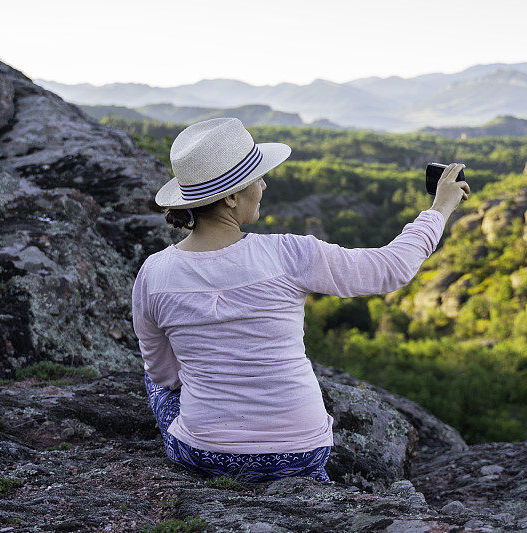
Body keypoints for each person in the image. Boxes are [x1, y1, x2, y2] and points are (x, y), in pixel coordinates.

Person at [131, 117, 470, 484]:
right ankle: (313, 487)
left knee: (154, 383)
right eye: (256, 178)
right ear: (230, 197)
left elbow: (165, 374)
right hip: (302, 449)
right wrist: (440, 209)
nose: (264, 184)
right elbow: (391, 267)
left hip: (207, 454)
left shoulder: (153, 274)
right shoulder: (289, 254)